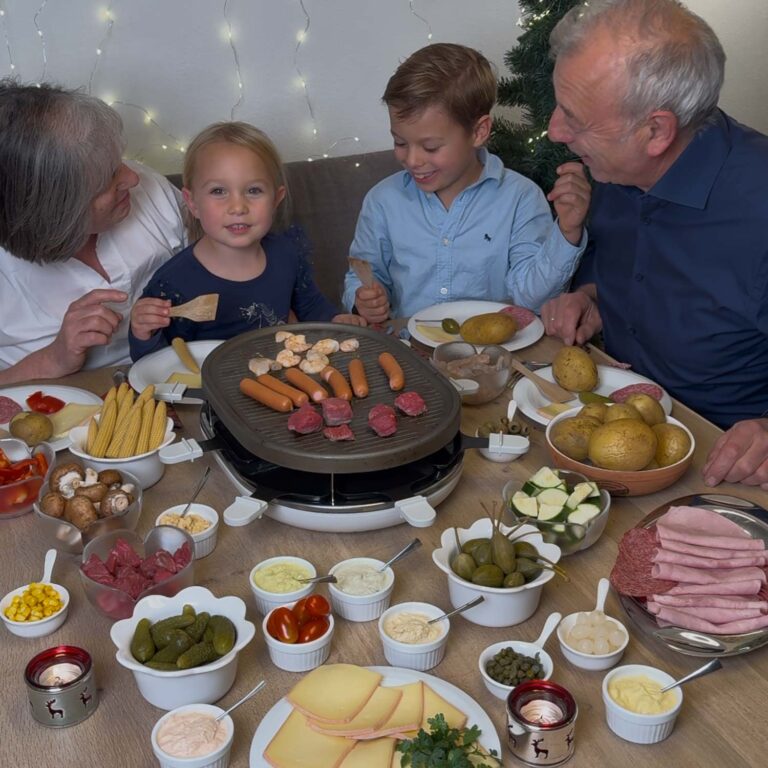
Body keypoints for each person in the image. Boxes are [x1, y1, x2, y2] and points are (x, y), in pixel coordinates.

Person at [541, 0, 768, 490]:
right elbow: (629, 262)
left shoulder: (759, 208)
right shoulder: (616, 169)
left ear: (656, 130)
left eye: (575, 118)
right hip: (610, 424)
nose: (555, 131)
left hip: (725, 465)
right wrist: (592, 297)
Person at [341, 42, 591, 324]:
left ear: (479, 131)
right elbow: (362, 274)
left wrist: (567, 233)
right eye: (400, 142)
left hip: (495, 355)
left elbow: (532, 298)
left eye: (431, 147)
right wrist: (363, 299)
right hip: (408, 353)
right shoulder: (383, 201)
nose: (412, 159)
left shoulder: (520, 198)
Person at [0, 80, 185, 383]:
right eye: (110, 178)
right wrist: (53, 358)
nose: (133, 178)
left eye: (118, 161)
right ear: (59, 212)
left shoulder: (152, 194)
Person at [129, 122, 363, 360]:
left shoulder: (287, 253)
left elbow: (311, 307)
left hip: (282, 380)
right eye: (218, 191)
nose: (238, 207)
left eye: (253, 190)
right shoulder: (172, 285)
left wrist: (337, 320)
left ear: (276, 198)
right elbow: (156, 364)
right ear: (192, 203)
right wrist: (143, 334)